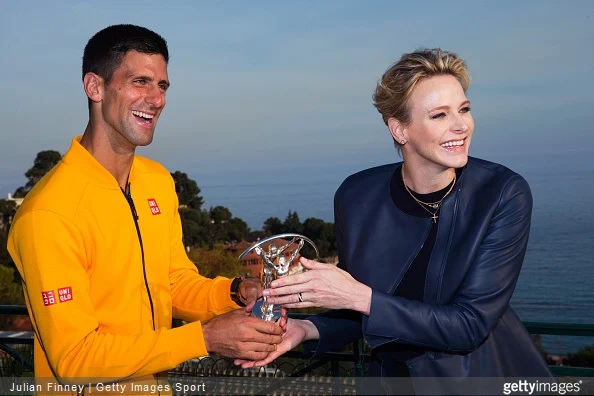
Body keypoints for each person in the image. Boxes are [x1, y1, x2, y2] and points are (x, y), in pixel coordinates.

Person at [241, 48, 554, 393]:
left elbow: (469, 325)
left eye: (464, 109)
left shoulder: (502, 193)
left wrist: (358, 296)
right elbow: (360, 307)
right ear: (400, 130)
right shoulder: (357, 196)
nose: (461, 125)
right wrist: (309, 329)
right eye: (439, 115)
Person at [7, 24, 283, 388]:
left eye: (162, 85)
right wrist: (203, 337)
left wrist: (234, 292)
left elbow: (172, 282)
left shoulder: (157, 182)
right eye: (140, 82)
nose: (156, 99)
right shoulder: (48, 213)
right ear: (95, 87)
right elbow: (75, 359)